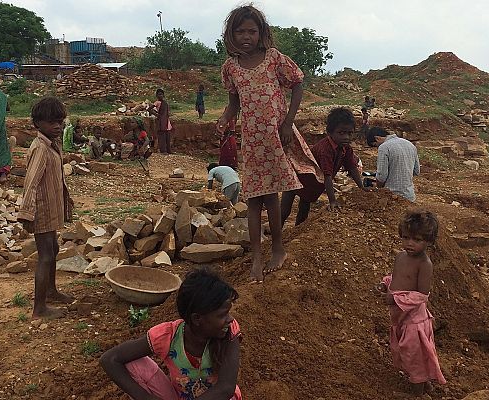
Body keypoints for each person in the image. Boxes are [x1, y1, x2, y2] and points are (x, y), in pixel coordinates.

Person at [218, 4, 322, 282]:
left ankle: (278, 249)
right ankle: (256, 257)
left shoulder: (274, 59)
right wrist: (225, 117)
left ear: (261, 32)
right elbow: (234, 103)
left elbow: (298, 84)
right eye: (239, 31)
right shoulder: (230, 68)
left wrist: (288, 122)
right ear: (231, 34)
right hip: (251, 141)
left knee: (273, 196)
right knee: (253, 199)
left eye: (251, 31)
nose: (245, 37)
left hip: (275, 136)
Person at [100, 267, 242, 400]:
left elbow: (226, 388)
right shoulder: (168, 336)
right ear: (197, 318)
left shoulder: (229, 332)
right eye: (223, 315)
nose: (230, 319)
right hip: (178, 396)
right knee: (134, 363)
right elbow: (110, 359)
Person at [17, 97, 74, 319]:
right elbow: (31, 182)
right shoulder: (40, 148)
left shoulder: (52, 145)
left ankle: (51, 291)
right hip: (41, 210)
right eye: (51, 122)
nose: (57, 126)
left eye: (60, 121)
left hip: (51, 209)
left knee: (54, 250)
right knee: (46, 256)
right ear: (37, 124)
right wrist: (27, 213)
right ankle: (39, 308)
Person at [379, 210, 446, 396]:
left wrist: (395, 298)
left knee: (414, 356)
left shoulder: (425, 264)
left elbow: (421, 295)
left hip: (414, 321)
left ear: (428, 242)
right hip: (399, 317)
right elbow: (397, 278)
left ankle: (417, 393)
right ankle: (425, 385)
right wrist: (385, 284)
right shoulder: (400, 257)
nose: (410, 243)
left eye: (417, 240)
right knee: (406, 352)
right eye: (406, 237)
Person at [281, 107, 371, 225]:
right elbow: (327, 176)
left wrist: (361, 187)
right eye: (341, 133)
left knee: (304, 209)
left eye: (350, 133)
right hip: (297, 178)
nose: (346, 137)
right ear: (330, 132)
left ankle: (296, 232)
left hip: (312, 183)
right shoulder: (325, 149)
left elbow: (352, 167)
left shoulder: (346, 148)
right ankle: (276, 236)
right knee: (284, 211)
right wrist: (332, 201)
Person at [367, 127, 420, 201]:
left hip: (392, 197)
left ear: (377, 138)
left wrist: (378, 187)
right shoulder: (410, 145)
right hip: (410, 196)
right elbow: (416, 171)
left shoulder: (384, 147)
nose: (377, 147)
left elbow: (382, 176)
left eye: (375, 145)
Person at [148, 88, 173, 154]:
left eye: (161, 94)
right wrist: (156, 114)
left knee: (167, 137)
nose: (160, 96)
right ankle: (163, 151)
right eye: (159, 94)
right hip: (161, 121)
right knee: (162, 137)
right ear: (156, 96)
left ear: (163, 95)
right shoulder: (157, 102)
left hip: (167, 121)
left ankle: (168, 150)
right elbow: (149, 109)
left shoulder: (165, 103)